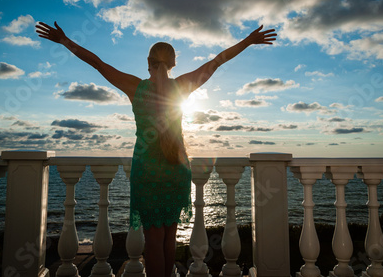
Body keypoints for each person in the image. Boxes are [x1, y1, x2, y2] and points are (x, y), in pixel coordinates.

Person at [35, 21, 277, 277]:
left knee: (152, 242)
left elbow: (97, 63)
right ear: (173, 65)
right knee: (168, 241)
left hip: (147, 172)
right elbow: (217, 61)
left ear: (148, 63)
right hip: (176, 170)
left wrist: (64, 40)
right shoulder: (181, 86)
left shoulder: (135, 87)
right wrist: (248, 41)